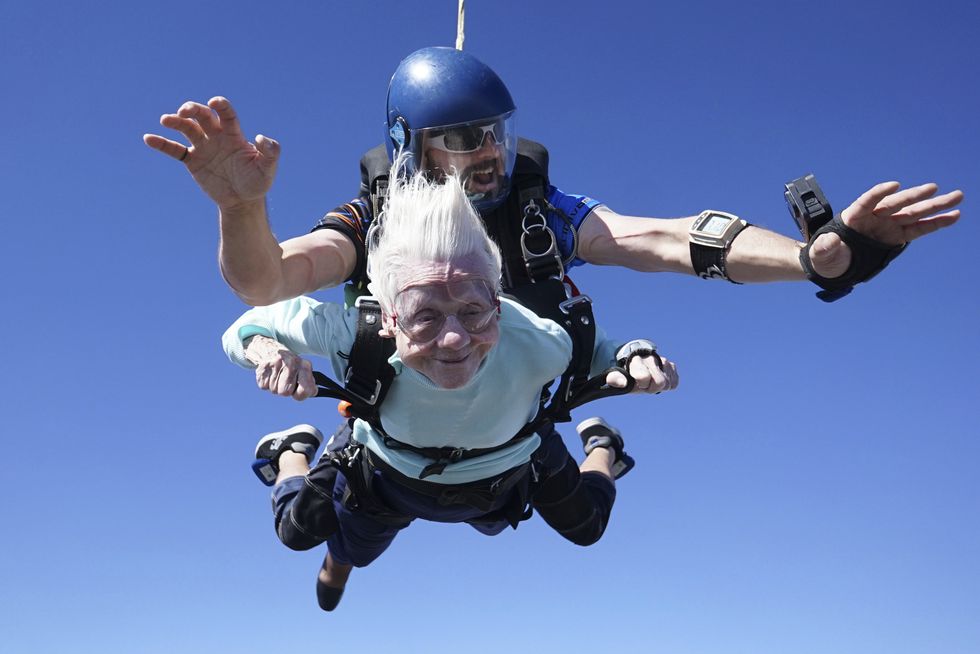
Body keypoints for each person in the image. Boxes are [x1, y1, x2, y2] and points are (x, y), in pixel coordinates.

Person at [144, 46, 962, 310]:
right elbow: (268, 281)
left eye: (494, 133)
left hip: (508, 427)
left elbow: (671, 241)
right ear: (410, 149)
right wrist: (242, 211)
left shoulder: (543, 212)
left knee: (569, 517)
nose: (489, 154)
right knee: (357, 521)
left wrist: (815, 260)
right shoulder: (375, 215)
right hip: (398, 427)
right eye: (461, 138)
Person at [221, 166, 679, 610]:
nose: (455, 339)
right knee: (301, 533)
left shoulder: (540, 338)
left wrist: (636, 356)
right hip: (387, 473)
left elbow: (598, 347)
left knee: (587, 526)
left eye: (474, 311)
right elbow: (247, 324)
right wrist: (267, 351)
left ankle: (604, 450)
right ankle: (293, 455)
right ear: (388, 318)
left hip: (507, 469)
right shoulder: (354, 333)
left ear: (498, 304)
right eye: (425, 317)